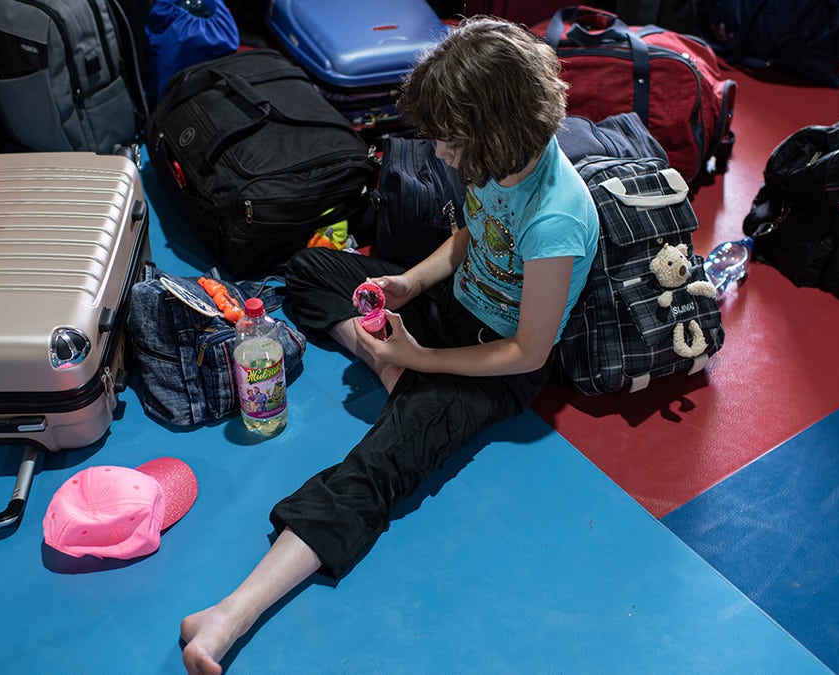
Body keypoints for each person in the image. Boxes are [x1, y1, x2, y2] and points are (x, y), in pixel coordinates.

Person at [180, 16, 599, 674]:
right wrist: (407, 282)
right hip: (448, 309)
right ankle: (393, 372)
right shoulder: (499, 162)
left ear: (493, 135)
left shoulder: (557, 218)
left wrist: (419, 359)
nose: (439, 155)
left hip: (496, 361)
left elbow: (529, 353)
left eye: (451, 143)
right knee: (310, 270)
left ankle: (229, 615)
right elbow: (468, 238)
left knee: (378, 467)